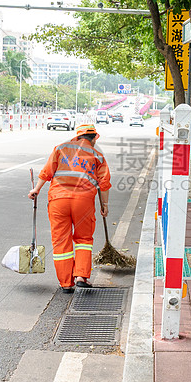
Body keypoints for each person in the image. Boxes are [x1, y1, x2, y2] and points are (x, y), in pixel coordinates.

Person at [28, 123, 111, 293]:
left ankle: (66, 283)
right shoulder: (98, 155)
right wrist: (104, 205)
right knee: (84, 239)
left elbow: (46, 172)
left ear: (77, 136)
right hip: (84, 203)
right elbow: (104, 184)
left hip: (59, 201)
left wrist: (36, 189)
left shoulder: (61, 148)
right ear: (95, 138)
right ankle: (81, 276)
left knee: (61, 241)